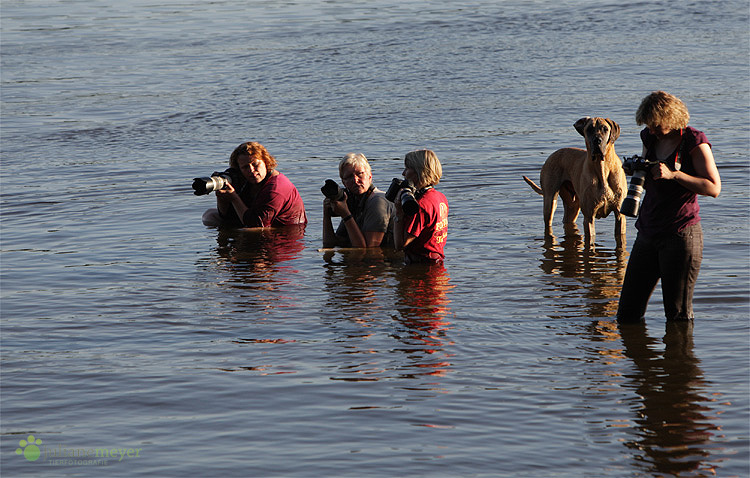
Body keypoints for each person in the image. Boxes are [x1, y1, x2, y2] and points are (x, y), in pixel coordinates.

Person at [617, 91, 721, 322]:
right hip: (647, 231)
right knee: (627, 313)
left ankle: (679, 358)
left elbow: (714, 188)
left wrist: (675, 175)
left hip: (681, 234)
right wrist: (636, 170)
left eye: (655, 125)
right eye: (648, 125)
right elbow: (648, 176)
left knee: (677, 315)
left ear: (671, 119)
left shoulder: (694, 141)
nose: (651, 130)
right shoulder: (649, 137)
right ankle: (637, 356)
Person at [202, 142, 307, 228]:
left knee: (246, 231)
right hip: (259, 224)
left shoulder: (276, 188)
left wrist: (234, 198)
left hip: (285, 232)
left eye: (255, 164)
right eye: (245, 167)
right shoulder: (248, 181)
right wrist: (222, 197)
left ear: (266, 162)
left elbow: (256, 224)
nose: (251, 170)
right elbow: (228, 217)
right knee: (210, 216)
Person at [322, 153, 394, 248]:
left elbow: (367, 249)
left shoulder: (378, 202)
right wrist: (326, 215)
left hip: (384, 261)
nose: (355, 180)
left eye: (359, 174)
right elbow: (330, 243)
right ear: (344, 182)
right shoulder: (353, 201)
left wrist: (345, 214)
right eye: (349, 177)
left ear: (370, 176)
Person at [392, 149, 448, 264]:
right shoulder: (440, 197)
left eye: (407, 168)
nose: (403, 173)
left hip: (422, 267)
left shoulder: (421, 205)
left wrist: (399, 212)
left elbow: (400, 244)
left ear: (419, 172)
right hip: (436, 262)